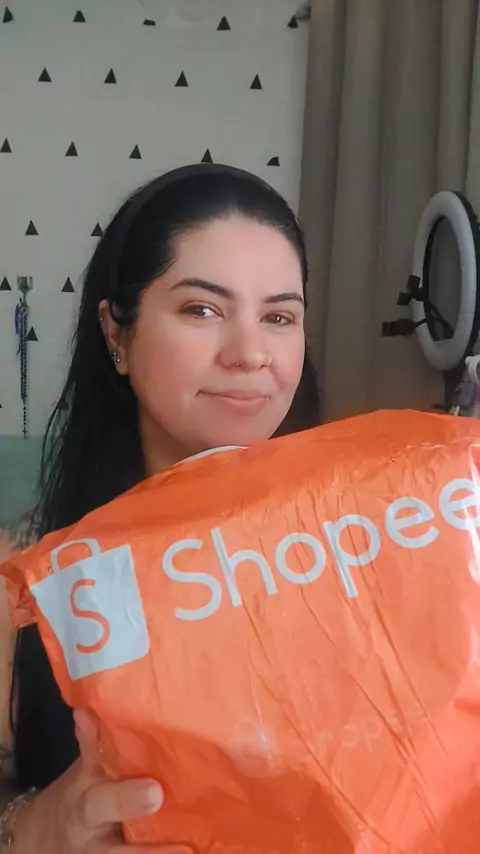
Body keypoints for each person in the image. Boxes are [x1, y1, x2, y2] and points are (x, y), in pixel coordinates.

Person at [0, 163, 321, 853]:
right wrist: (32, 829)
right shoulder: (24, 586)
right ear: (116, 333)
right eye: (202, 309)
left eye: (279, 317)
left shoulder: (362, 550)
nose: (251, 354)